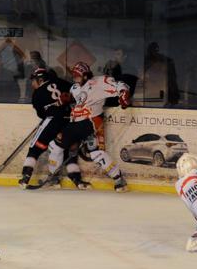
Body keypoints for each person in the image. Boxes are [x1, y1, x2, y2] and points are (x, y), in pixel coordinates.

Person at [45, 62, 130, 192]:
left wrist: (124, 94)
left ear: (85, 75)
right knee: (96, 153)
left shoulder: (99, 82)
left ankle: (53, 178)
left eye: (77, 75)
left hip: (90, 121)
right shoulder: (74, 88)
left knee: (55, 145)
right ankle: (119, 180)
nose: (74, 77)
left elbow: (121, 85)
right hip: (79, 124)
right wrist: (67, 100)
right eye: (73, 75)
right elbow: (77, 100)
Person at [18, 67, 89, 190]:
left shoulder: (37, 94)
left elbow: (41, 114)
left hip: (52, 121)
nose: (32, 83)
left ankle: (26, 177)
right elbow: (79, 93)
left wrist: (51, 110)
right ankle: (77, 180)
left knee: (35, 148)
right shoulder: (62, 82)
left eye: (33, 80)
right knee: (67, 151)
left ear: (40, 80)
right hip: (69, 120)